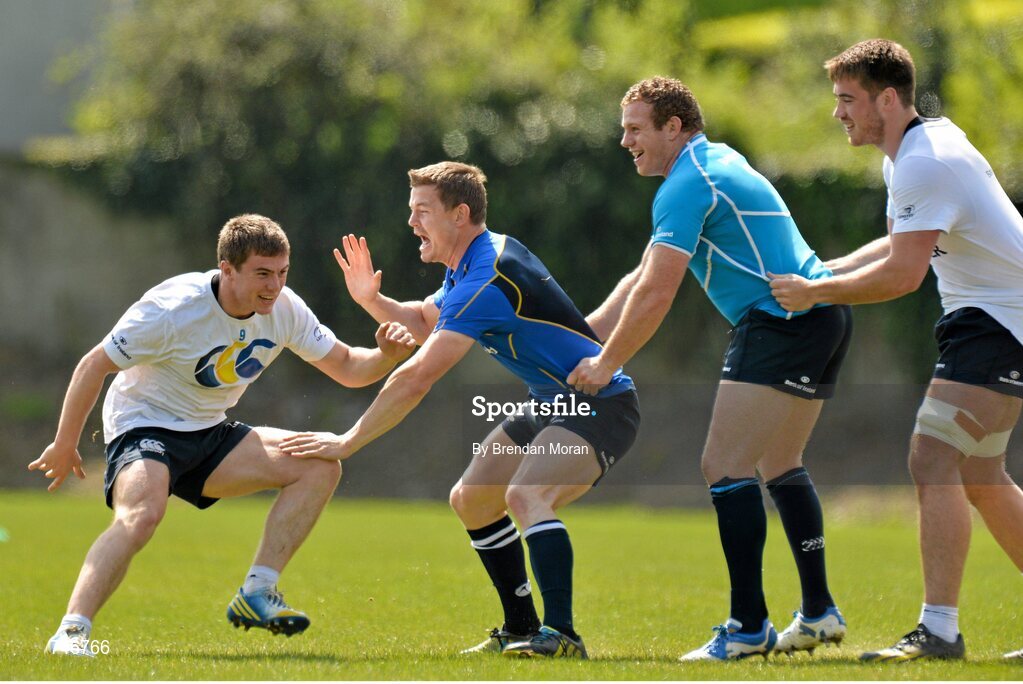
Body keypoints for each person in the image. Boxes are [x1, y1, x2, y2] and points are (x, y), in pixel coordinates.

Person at [280, 161, 640, 659]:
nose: (411, 223)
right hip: (556, 403)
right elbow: (427, 319)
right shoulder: (472, 263)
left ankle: (562, 636)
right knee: (472, 498)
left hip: (602, 406)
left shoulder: (485, 278)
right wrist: (371, 299)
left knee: (527, 494)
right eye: (412, 212)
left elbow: (416, 376)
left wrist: (348, 441)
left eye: (422, 212)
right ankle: (520, 628)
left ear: (460, 214)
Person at [31, 214, 416, 656]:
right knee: (141, 516)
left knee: (319, 466)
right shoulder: (172, 309)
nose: (274, 286)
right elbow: (93, 364)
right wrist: (64, 443)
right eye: (262, 274)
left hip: (209, 430)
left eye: (282, 273)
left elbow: (348, 367)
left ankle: (257, 592)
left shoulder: (285, 308)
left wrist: (387, 355)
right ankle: (72, 633)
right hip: (145, 423)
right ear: (227, 269)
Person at [566, 77, 852, 661]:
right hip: (821, 316)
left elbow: (657, 296)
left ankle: (748, 627)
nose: (625, 141)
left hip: (779, 322)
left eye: (635, 129)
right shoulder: (711, 162)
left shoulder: (685, 184)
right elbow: (644, 275)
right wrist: (585, 337)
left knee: (723, 465)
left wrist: (606, 364)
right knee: (779, 462)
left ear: (674, 126)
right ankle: (819, 612)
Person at [770, 39, 1023, 662]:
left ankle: (938, 631)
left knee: (932, 455)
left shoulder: (923, 162)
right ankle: (939, 629)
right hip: (992, 318)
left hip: (999, 321)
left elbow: (903, 276)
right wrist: (823, 272)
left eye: (848, 100)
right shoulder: (911, 150)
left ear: (888, 98)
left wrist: (815, 295)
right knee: (982, 476)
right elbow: (892, 247)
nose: (838, 114)